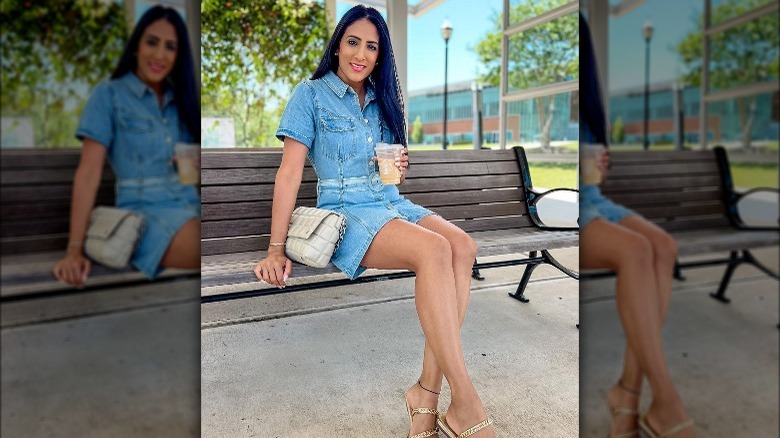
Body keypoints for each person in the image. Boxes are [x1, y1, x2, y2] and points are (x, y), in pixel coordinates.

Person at [253, 5, 495, 438]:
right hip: (345, 211)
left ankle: (426, 394)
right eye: (353, 42)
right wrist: (275, 247)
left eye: (371, 46)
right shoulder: (310, 95)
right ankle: (465, 400)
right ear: (338, 45)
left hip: (390, 203)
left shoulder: (383, 102)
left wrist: (397, 166)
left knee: (462, 246)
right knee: (434, 250)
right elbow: (289, 173)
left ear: (380, 56)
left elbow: (390, 174)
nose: (360, 54)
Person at [579, 14, 695, 438]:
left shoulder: (591, 102)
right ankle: (664, 400)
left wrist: (598, 166)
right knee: (636, 250)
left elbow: (593, 177)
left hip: (595, 199)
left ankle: (628, 393)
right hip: (577, 210)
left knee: (663, 246)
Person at [53, 5, 200, 287]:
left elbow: (187, 173)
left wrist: (194, 164)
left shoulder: (181, 102)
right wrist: (74, 250)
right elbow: (88, 174)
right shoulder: (109, 95)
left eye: (170, 47)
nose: (159, 55)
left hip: (189, 204)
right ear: (136, 45)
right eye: (152, 42)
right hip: (143, 214)